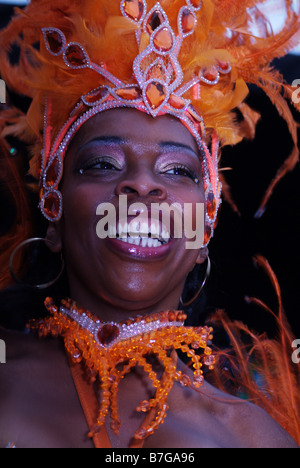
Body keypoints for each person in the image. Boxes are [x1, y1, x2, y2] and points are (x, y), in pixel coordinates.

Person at [0, 0, 299, 448]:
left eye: (178, 171)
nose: (142, 185)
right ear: (55, 213)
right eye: (102, 163)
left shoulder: (254, 439)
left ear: (204, 232)